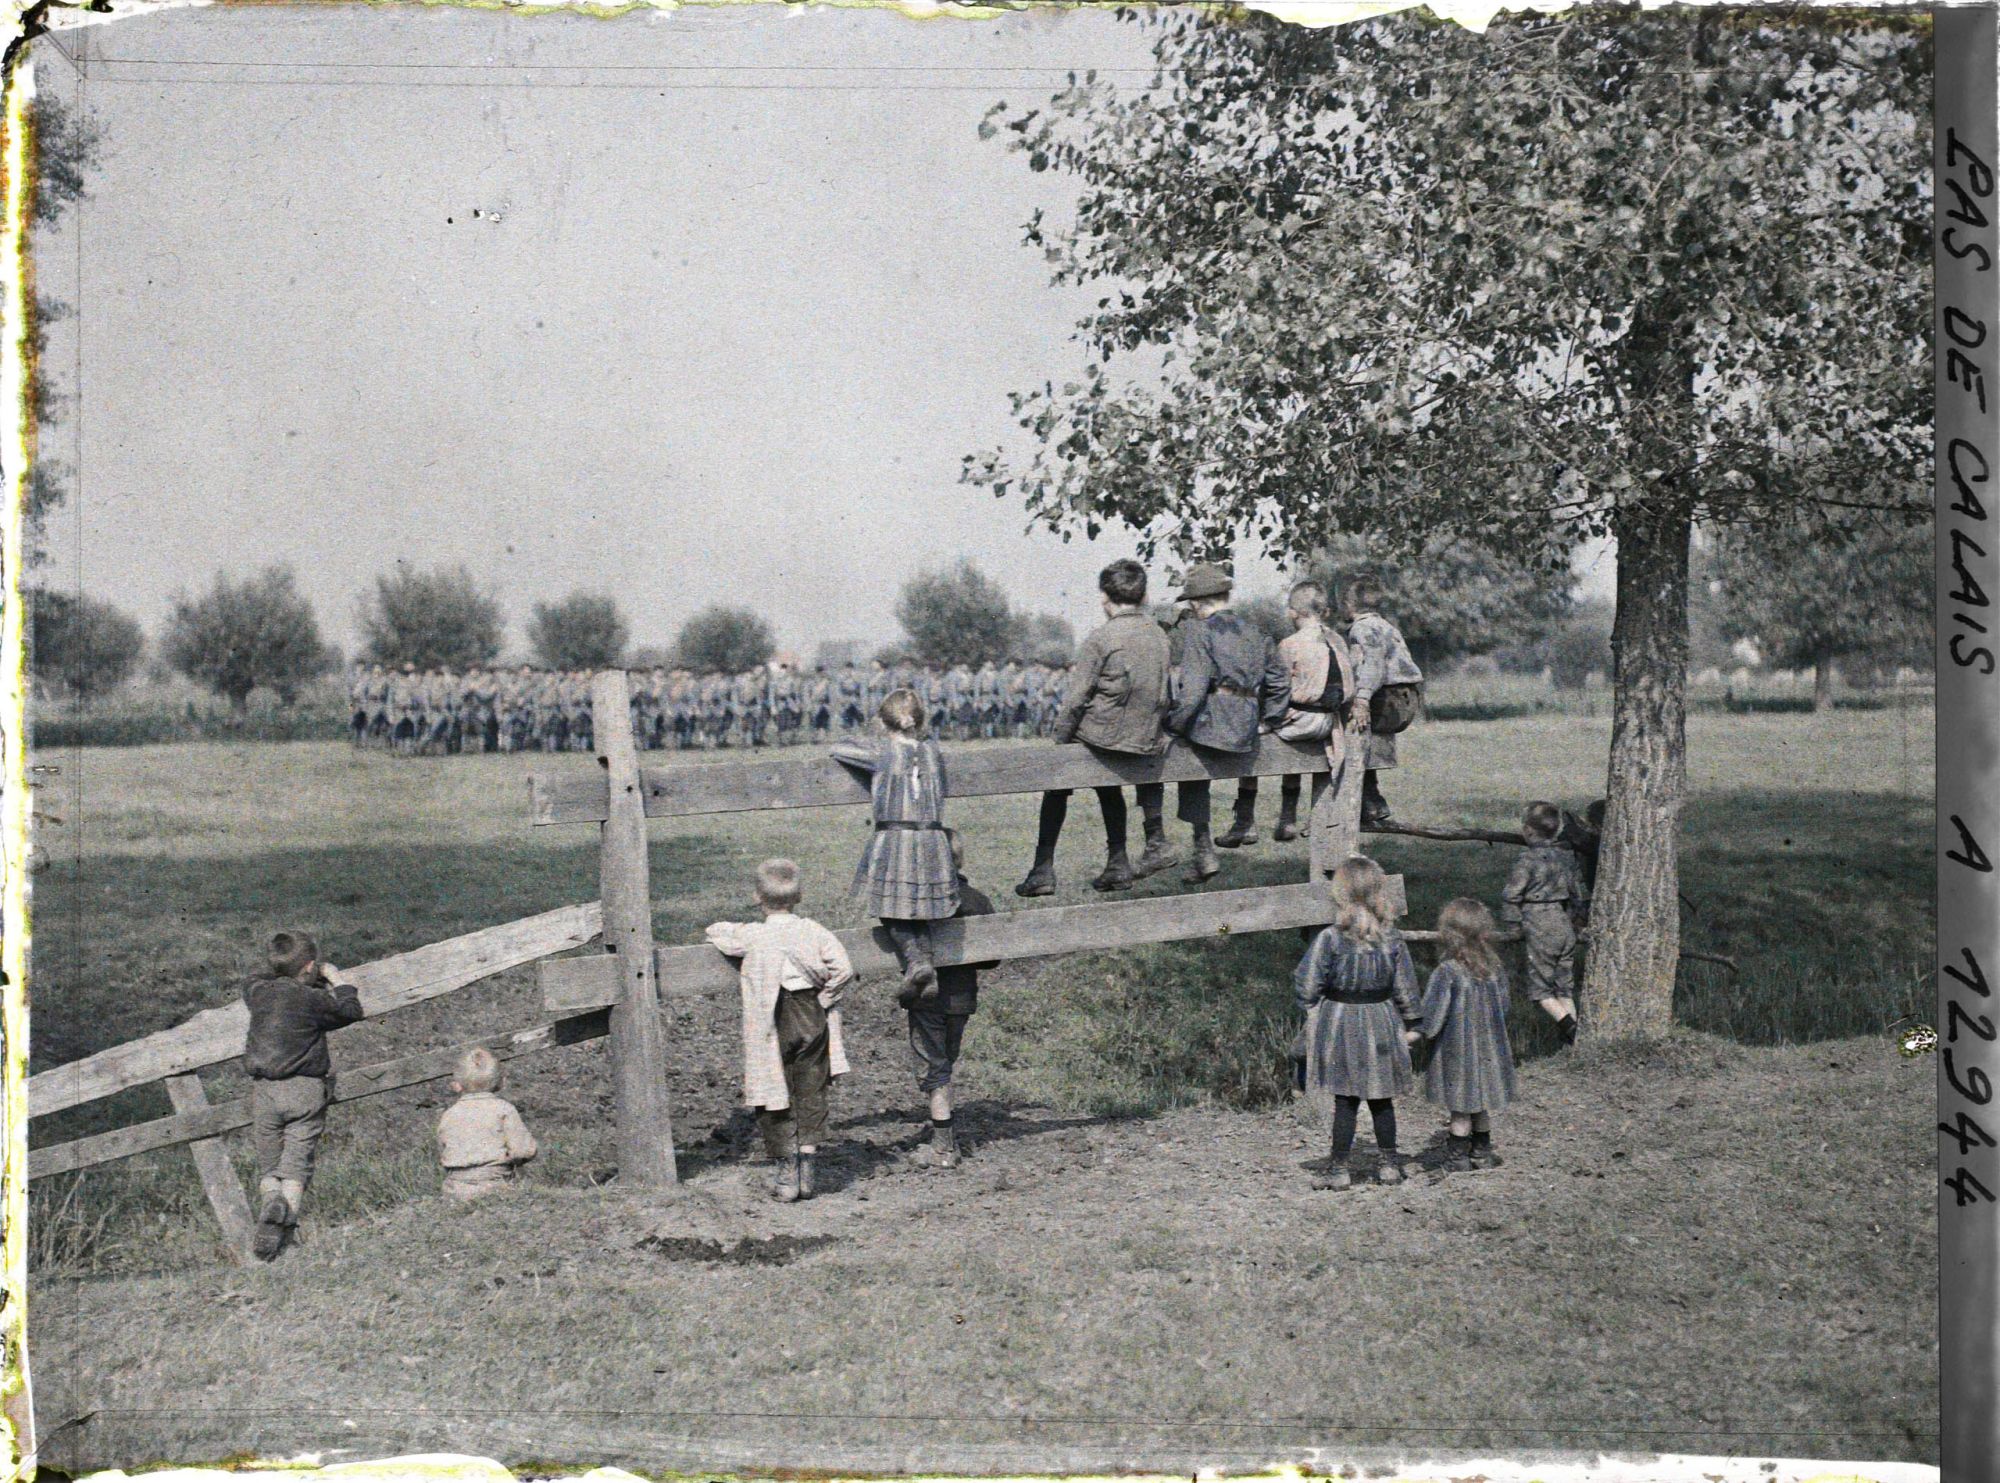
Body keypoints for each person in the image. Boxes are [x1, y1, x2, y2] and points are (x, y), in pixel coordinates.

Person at [1017, 558, 1175, 897]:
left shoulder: (1101, 638)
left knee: (1056, 783)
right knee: (1107, 785)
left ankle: (1042, 868)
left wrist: (1060, 742)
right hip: (1144, 740)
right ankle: (1117, 863)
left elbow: (1075, 700)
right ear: (1143, 596)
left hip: (1105, 737)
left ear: (1105, 598)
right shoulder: (1160, 636)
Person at [706, 858, 856, 1203]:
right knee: (810, 1087)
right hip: (810, 1013)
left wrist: (722, 926)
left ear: (758, 897)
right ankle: (807, 1168)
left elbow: (718, 933)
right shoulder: (815, 931)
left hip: (774, 1018)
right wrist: (825, 997)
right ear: (799, 896)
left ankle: (787, 1172)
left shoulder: (755, 935)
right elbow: (843, 968)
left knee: (773, 1087)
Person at [1294, 856, 1424, 1190]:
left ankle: (1338, 1170)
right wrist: (1413, 1021)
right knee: (1382, 1098)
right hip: (1381, 1018)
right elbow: (1405, 986)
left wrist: (1311, 1004)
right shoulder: (1390, 937)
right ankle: (1389, 1166)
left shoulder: (1330, 938)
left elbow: (1307, 985)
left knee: (1345, 1101)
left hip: (1340, 1021)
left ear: (1340, 893)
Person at [240, 930, 365, 1259]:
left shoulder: (259, 993)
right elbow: (351, 1011)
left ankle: (271, 1203)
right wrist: (335, 978)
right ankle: (285, 1239)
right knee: (296, 1166)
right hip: (305, 1091)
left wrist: (280, 968)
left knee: (270, 1167)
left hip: (265, 1092)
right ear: (310, 967)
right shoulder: (314, 1000)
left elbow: (252, 978)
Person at [1163, 563, 1290, 882]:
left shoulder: (1200, 631)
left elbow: (1191, 694)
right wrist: (1269, 718)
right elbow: (1280, 680)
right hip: (1247, 724)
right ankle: (1242, 820)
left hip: (1213, 724)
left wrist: (1174, 724)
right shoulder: (1255, 629)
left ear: (1195, 602)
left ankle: (1203, 846)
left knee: (1184, 754)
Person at [832, 688, 958, 1006]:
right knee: (922, 911)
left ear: (883, 722)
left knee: (889, 909)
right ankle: (926, 968)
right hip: (932, 841)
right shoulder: (933, 752)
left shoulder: (881, 751)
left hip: (896, 840)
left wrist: (877, 734)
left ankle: (916, 962)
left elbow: (839, 747)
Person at [1228, 579, 1355, 847]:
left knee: (1253, 733)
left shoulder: (1290, 644)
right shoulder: (1337, 640)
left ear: (1292, 612)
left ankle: (1245, 822)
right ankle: (1287, 818)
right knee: (1290, 735)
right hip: (1329, 722)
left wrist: (1265, 720)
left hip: (1302, 720)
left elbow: (1277, 689)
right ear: (1325, 612)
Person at [912, 834, 999, 1169]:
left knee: (935, 1070)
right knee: (944, 1062)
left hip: (926, 998)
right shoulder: (977, 900)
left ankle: (944, 1147)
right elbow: (992, 959)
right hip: (961, 999)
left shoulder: (916, 902)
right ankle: (943, 1131)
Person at [1415, 898, 1517, 1172]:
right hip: (1490, 1052)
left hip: (1457, 1053)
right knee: (1481, 1107)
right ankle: (1482, 1154)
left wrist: (1418, 1033)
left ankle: (1457, 1158)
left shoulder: (1447, 972)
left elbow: (1432, 1016)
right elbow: (1505, 1008)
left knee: (1460, 1110)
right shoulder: (1495, 970)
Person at [1499, 801, 1588, 1046]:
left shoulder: (1526, 862)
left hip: (1540, 924)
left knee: (1541, 992)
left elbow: (1511, 895)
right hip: (1563, 923)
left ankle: (1574, 1031)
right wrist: (1577, 921)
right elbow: (1576, 895)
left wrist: (1513, 925)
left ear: (1527, 831)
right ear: (1558, 830)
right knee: (1563, 987)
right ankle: (1571, 1043)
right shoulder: (1565, 858)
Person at [1343, 574, 1425, 828]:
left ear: (1349, 604)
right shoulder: (1387, 626)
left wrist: (1362, 698)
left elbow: (1374, 665)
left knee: (1346, 730)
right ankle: (1372, 799)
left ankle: (1366, 800)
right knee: (1362, 735)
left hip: (1388, 698)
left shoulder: (1362, 629)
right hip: (1407, 696)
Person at [436, 1047, 539, 1201]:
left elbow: (443, 1149)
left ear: (456, 1085)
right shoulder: (504, 1109)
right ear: (501, 1083)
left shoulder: (449, 1114)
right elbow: (523, 1150)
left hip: (455, 1189)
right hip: (495, 1184)